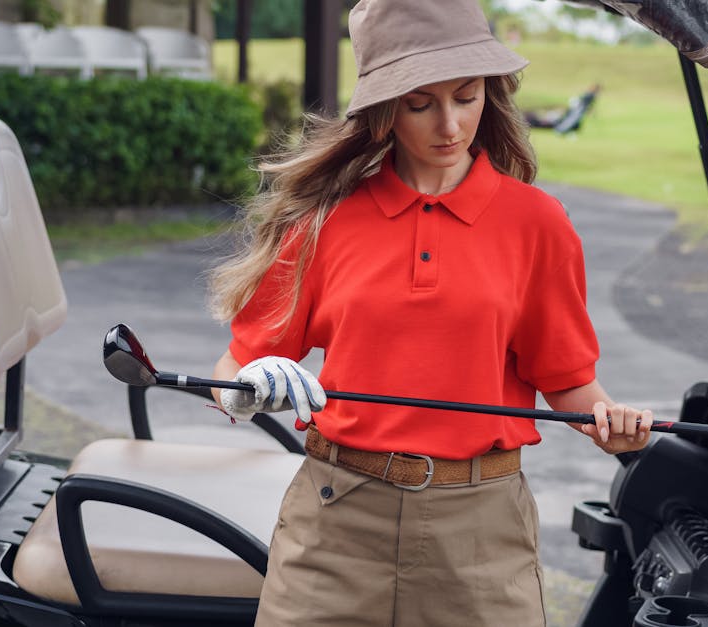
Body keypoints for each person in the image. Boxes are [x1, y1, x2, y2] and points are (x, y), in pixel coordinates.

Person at [206, 0, 655, 625]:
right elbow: (233, 371)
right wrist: (247, 391)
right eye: (421, 103)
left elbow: (569, 384)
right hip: (336, 525)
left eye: (466, 97)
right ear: (385, 111)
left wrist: (614, 426)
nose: (449, 125)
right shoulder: (323, 222)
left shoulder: (538, 224)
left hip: (481, 533)